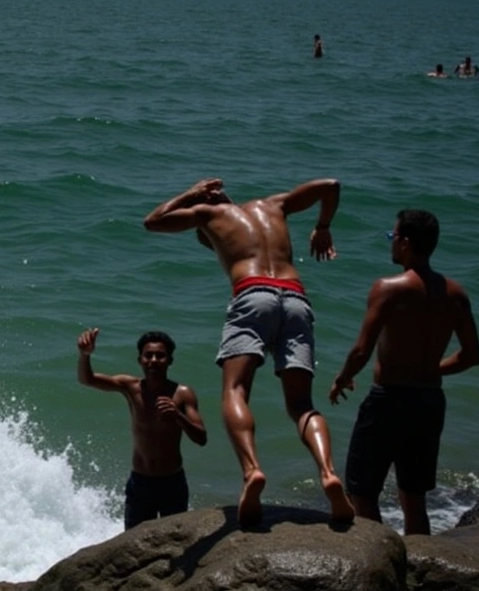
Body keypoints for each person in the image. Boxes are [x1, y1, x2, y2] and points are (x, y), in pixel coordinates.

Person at [144, 178, 354, 527]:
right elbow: (330, 186)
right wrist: (323, 227)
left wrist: (191, 194)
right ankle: (329, 473)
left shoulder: (208, 212)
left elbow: (153, 221)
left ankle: (252, 472)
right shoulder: (274, 205)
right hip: (296, 299)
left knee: (236, 390)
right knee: (301, 404)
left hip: (252, 295)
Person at [328, 209, 479, 536]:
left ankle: (379, 565)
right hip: (429, 402)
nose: (391, 244)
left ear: (406, 243)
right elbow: (472, 356)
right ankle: (419, 568)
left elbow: (361, 350)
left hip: (388, 401)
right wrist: (430, 368)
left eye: (392, 237)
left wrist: (342, 378)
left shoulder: (388, 288)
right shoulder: (456, 295)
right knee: (414, 497)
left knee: (362, 492)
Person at [77, 328, 207, 530]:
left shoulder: (182, 394)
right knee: (131, 542)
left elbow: (201, 437)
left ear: (170, 361)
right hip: (140, 482)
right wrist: (85, 355)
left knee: (176, 542)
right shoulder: (131, 387)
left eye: (160, 356)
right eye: (148, 355)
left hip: (172, 483)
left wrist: (178, 416)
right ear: (140, 360)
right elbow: (88, 380)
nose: (153, 360)